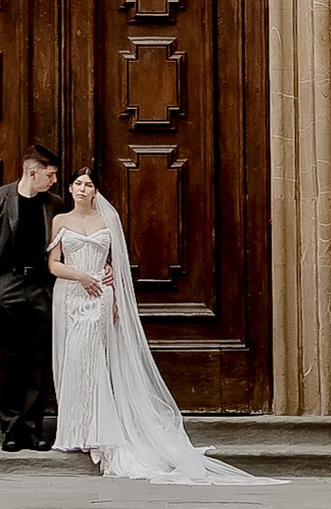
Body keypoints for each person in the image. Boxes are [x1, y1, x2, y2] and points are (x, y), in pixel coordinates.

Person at [48, 169, 249, 483]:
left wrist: (114, 297)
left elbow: (116, 264)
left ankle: (100, 429)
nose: (82, 189)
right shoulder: (60, 220)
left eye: (88, 184)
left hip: (100, 296)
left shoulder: (107, 221)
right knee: (75, 359)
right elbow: (53, 264)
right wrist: (81, 276)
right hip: (72, 295)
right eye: (77, 184)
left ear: (96, 191)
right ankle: (77, 429)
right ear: (70, 189)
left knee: (97, 359)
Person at [0, 147, 62, 452]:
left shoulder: (54, 204)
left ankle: (34, 429)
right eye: (50, 175)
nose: (54, 181)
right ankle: (10, 429)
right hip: (6, 284)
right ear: (32, 172)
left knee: (38, 361)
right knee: (7, 360)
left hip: (40, 287)